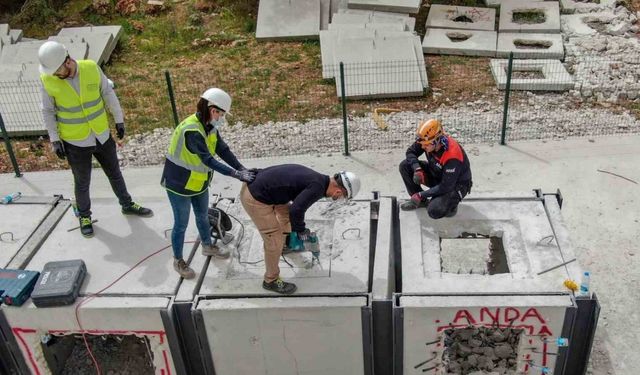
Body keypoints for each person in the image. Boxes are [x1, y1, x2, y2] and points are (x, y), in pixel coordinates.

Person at [38, 41, 153, 238]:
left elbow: (108, 93)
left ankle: (127, 204)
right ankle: (84, 216)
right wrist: (55, 139)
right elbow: (48, 112)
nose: (55, 75)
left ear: (67, 62)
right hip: (75, 142)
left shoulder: (91, 68)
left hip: (101, 135)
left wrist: (119, 120)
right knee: (82, 182)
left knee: (115, 173)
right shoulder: (48, 80)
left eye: (57, 71)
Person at [161, 87, 256, 279]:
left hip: (198, 182)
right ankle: (178, 260)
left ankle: (207, 246)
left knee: (203, 216)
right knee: (181, 224)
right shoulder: (192, 131)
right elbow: (208, 160)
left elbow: (222, 149)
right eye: (221, 114)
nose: (221, 118)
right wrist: (236, 174)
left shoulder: (209, 127)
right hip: (179, 185)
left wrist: (242, 168)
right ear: (213, 110)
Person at [239, 164, 360, 294]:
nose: (338, 199)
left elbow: (293, 205)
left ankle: (286, 245)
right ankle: (271, 280)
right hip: (255, 197)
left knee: (285, 213)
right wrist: (301, 231)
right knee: (274, 239)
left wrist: (297, 230)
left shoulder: (319, 179)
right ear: (338, 191)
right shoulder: (317, 188)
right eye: (342, 197)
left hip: (259, 185)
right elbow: (296, 210)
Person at [398, 119, 472, 218]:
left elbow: (445, 186)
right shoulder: (426, 140)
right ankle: (421, 202)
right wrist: (417, 169)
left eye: (426, 144)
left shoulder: (452, 155)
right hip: (438, 173)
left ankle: (451, 206)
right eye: (422, 143)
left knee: (434, 210)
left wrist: (421, 194)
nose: (423, 146)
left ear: (437, 140)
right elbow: (410, 152)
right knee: (405, 166)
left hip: (455, 185)